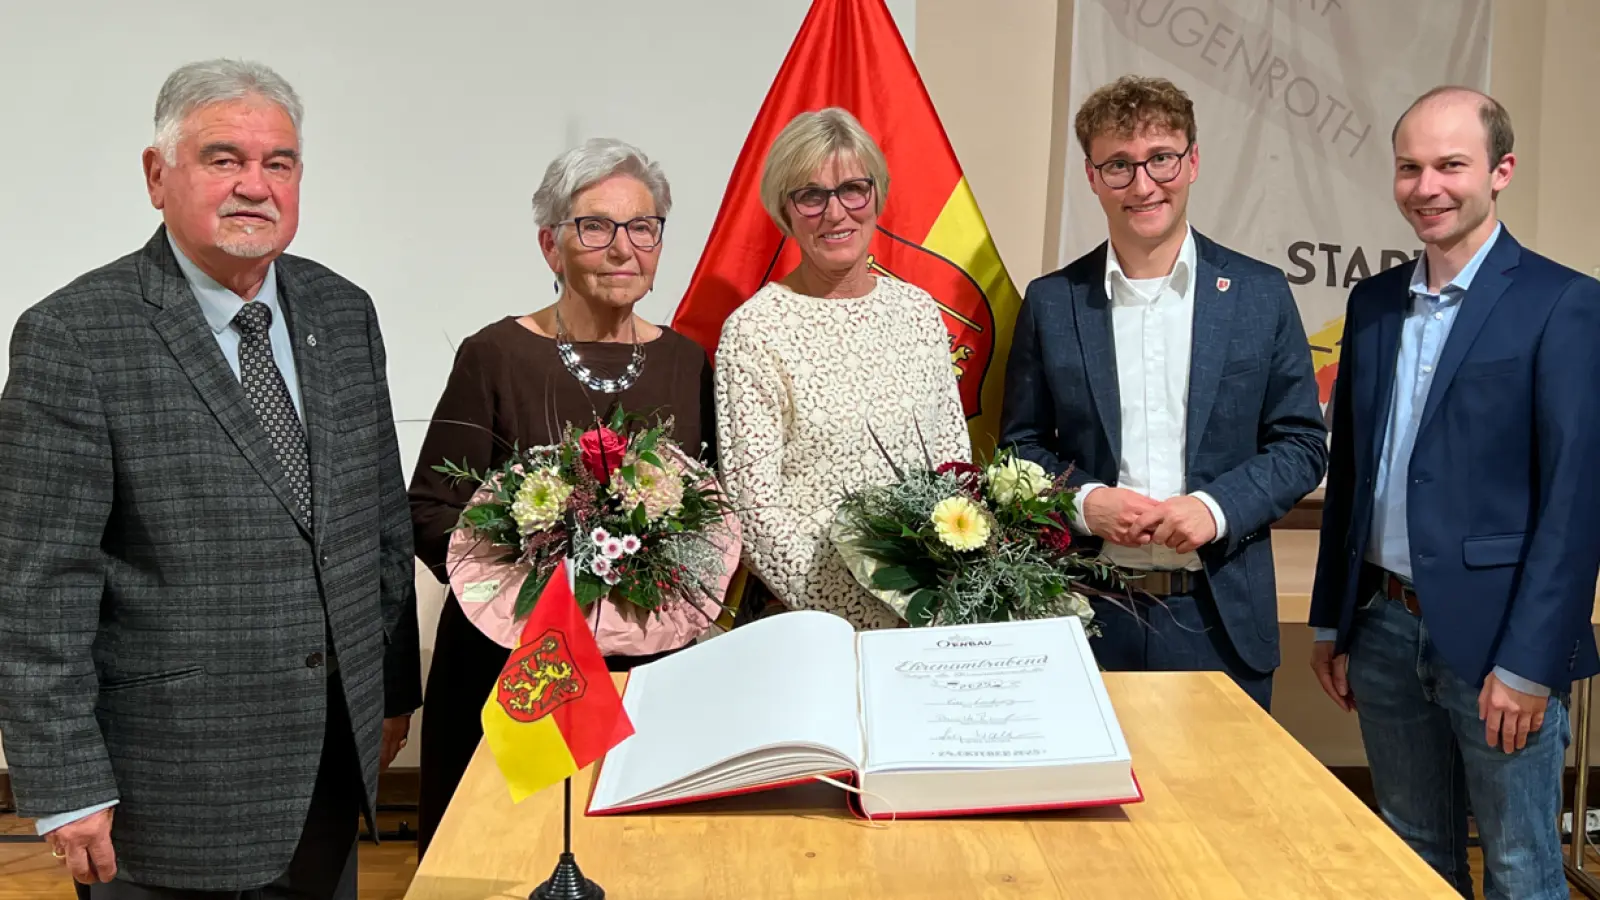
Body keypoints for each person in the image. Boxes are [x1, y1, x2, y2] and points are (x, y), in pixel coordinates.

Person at [0, 59, 420, 898]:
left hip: (330, 771)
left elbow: (379, 519)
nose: (253, 187)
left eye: (279, 164)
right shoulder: (74, 335)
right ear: (158, 176)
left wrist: (391, 694)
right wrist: (66, 780)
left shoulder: (344, 311)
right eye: (223, 159)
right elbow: (36, 588)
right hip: (170, 794)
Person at [1309, 86, 1600, 900]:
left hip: (1499, 649)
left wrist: (1531, 665)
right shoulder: (1371, 304)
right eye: (1409, 167)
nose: (1426, 187)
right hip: (1383, 632)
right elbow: (1354, 479)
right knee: (1410, 854)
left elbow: (1576, 505)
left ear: (1501, 170)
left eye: (1450, 165)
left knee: (1517, 866)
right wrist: (1335, 617)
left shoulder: (1564, 303)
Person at [406, 137, 717, 857]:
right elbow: (430, 508)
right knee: (501, 860)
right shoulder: (495, 353)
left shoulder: (688, 361)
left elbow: (713, 516)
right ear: (551, 245)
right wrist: (534, 582)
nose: (623, 248)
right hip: (511, 666)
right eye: (596, 227)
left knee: (636, 861)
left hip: (649, 671)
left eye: (643, 227)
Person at [998, 76, 1326, 711]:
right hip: (1088, 616)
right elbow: (1022, 449)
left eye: (1160, 159)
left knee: (1222, 812)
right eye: (1119, 165)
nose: (1143, 184)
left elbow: (1301, 444)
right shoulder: (1052, 302)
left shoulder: (1260, 294)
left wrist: (1216, 507)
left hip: (1218, 619)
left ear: (1193, 161)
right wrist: (1085, 501)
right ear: (1092, 177)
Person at [715, 107, 970, 631]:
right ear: (784, 212)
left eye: (854, 188)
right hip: (806, 624)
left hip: (928, 618)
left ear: (877, 195)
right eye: (811, 196)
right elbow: (755, 512)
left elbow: (954, 466)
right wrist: (858, 616)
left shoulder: (919, 313)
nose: (836, 213)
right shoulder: (754, 331)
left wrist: (934, 603)